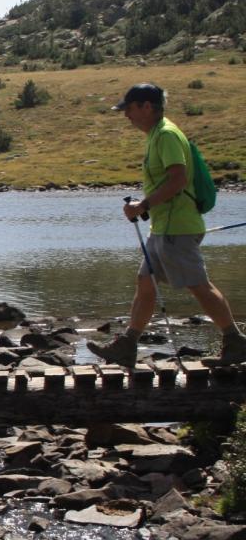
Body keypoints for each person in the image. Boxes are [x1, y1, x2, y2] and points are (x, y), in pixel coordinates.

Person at [88, 83, 245, 366]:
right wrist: (144, 202)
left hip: (178, 227)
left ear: (147, 106)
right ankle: (128, 345)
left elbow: (178, 180)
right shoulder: (157, 135)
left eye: (130, 109)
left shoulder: (167, 135)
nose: (127, 116)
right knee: (145, 282)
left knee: (198, 285)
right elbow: (166, 182)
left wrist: (143, 205)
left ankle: (235, 341)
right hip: (164, 226)